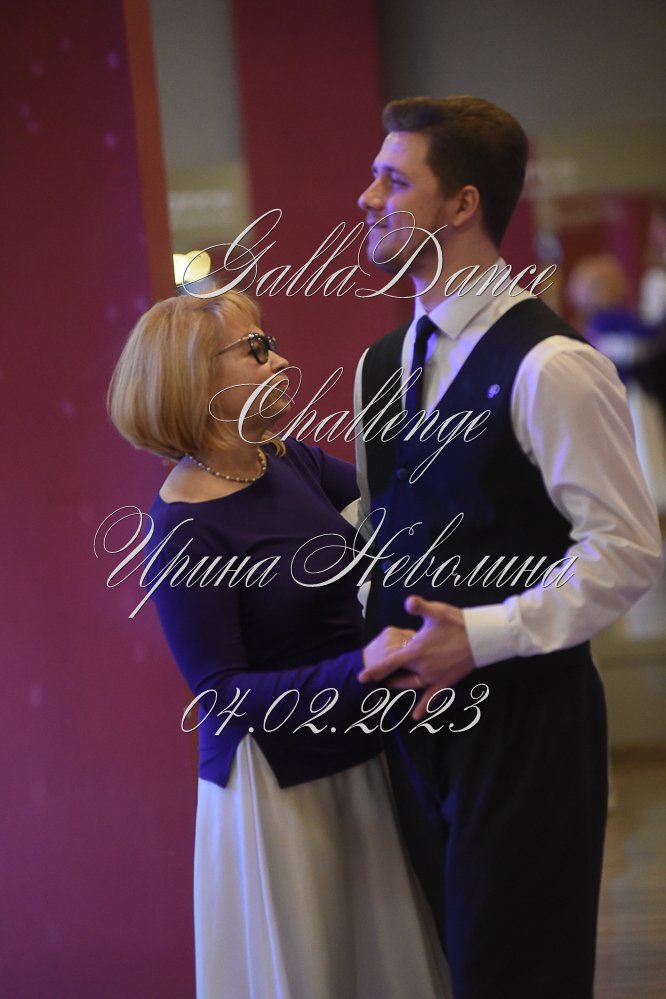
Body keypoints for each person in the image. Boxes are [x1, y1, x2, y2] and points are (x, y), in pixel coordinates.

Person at [353, 96, 663, 999]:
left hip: (528, 728)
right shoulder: (382, 362)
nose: (367, 198)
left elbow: (625, 551)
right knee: (450, 970)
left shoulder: (552, 365)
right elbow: (389, 525)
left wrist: (482, 636)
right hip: (413, 729)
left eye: (393, 180)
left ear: (462, 204)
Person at [107, 291, 450, 999]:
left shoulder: (288, 460)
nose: (280, 361)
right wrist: (362, 669)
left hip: (359, 755)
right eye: (256, 349)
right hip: (280, 790)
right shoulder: (182, 527)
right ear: (193, 378)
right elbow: (221, 695)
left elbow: (398, 508)